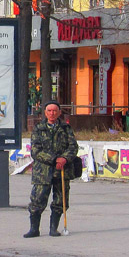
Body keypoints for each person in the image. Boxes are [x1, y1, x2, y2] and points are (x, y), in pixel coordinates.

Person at [24, 100, 78, 238]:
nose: (52, 113)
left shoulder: (66, 129)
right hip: (43, 171)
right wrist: (54, 159)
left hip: (62, 171)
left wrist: (64, 159)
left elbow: (73, 147)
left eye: (55, 111)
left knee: (60, 200)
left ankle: (54, 228)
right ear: (45, 113)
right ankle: (34, 229)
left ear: (59, 112)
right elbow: (36, 151)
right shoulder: (39, 128)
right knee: (37, 200)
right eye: (49, 111)